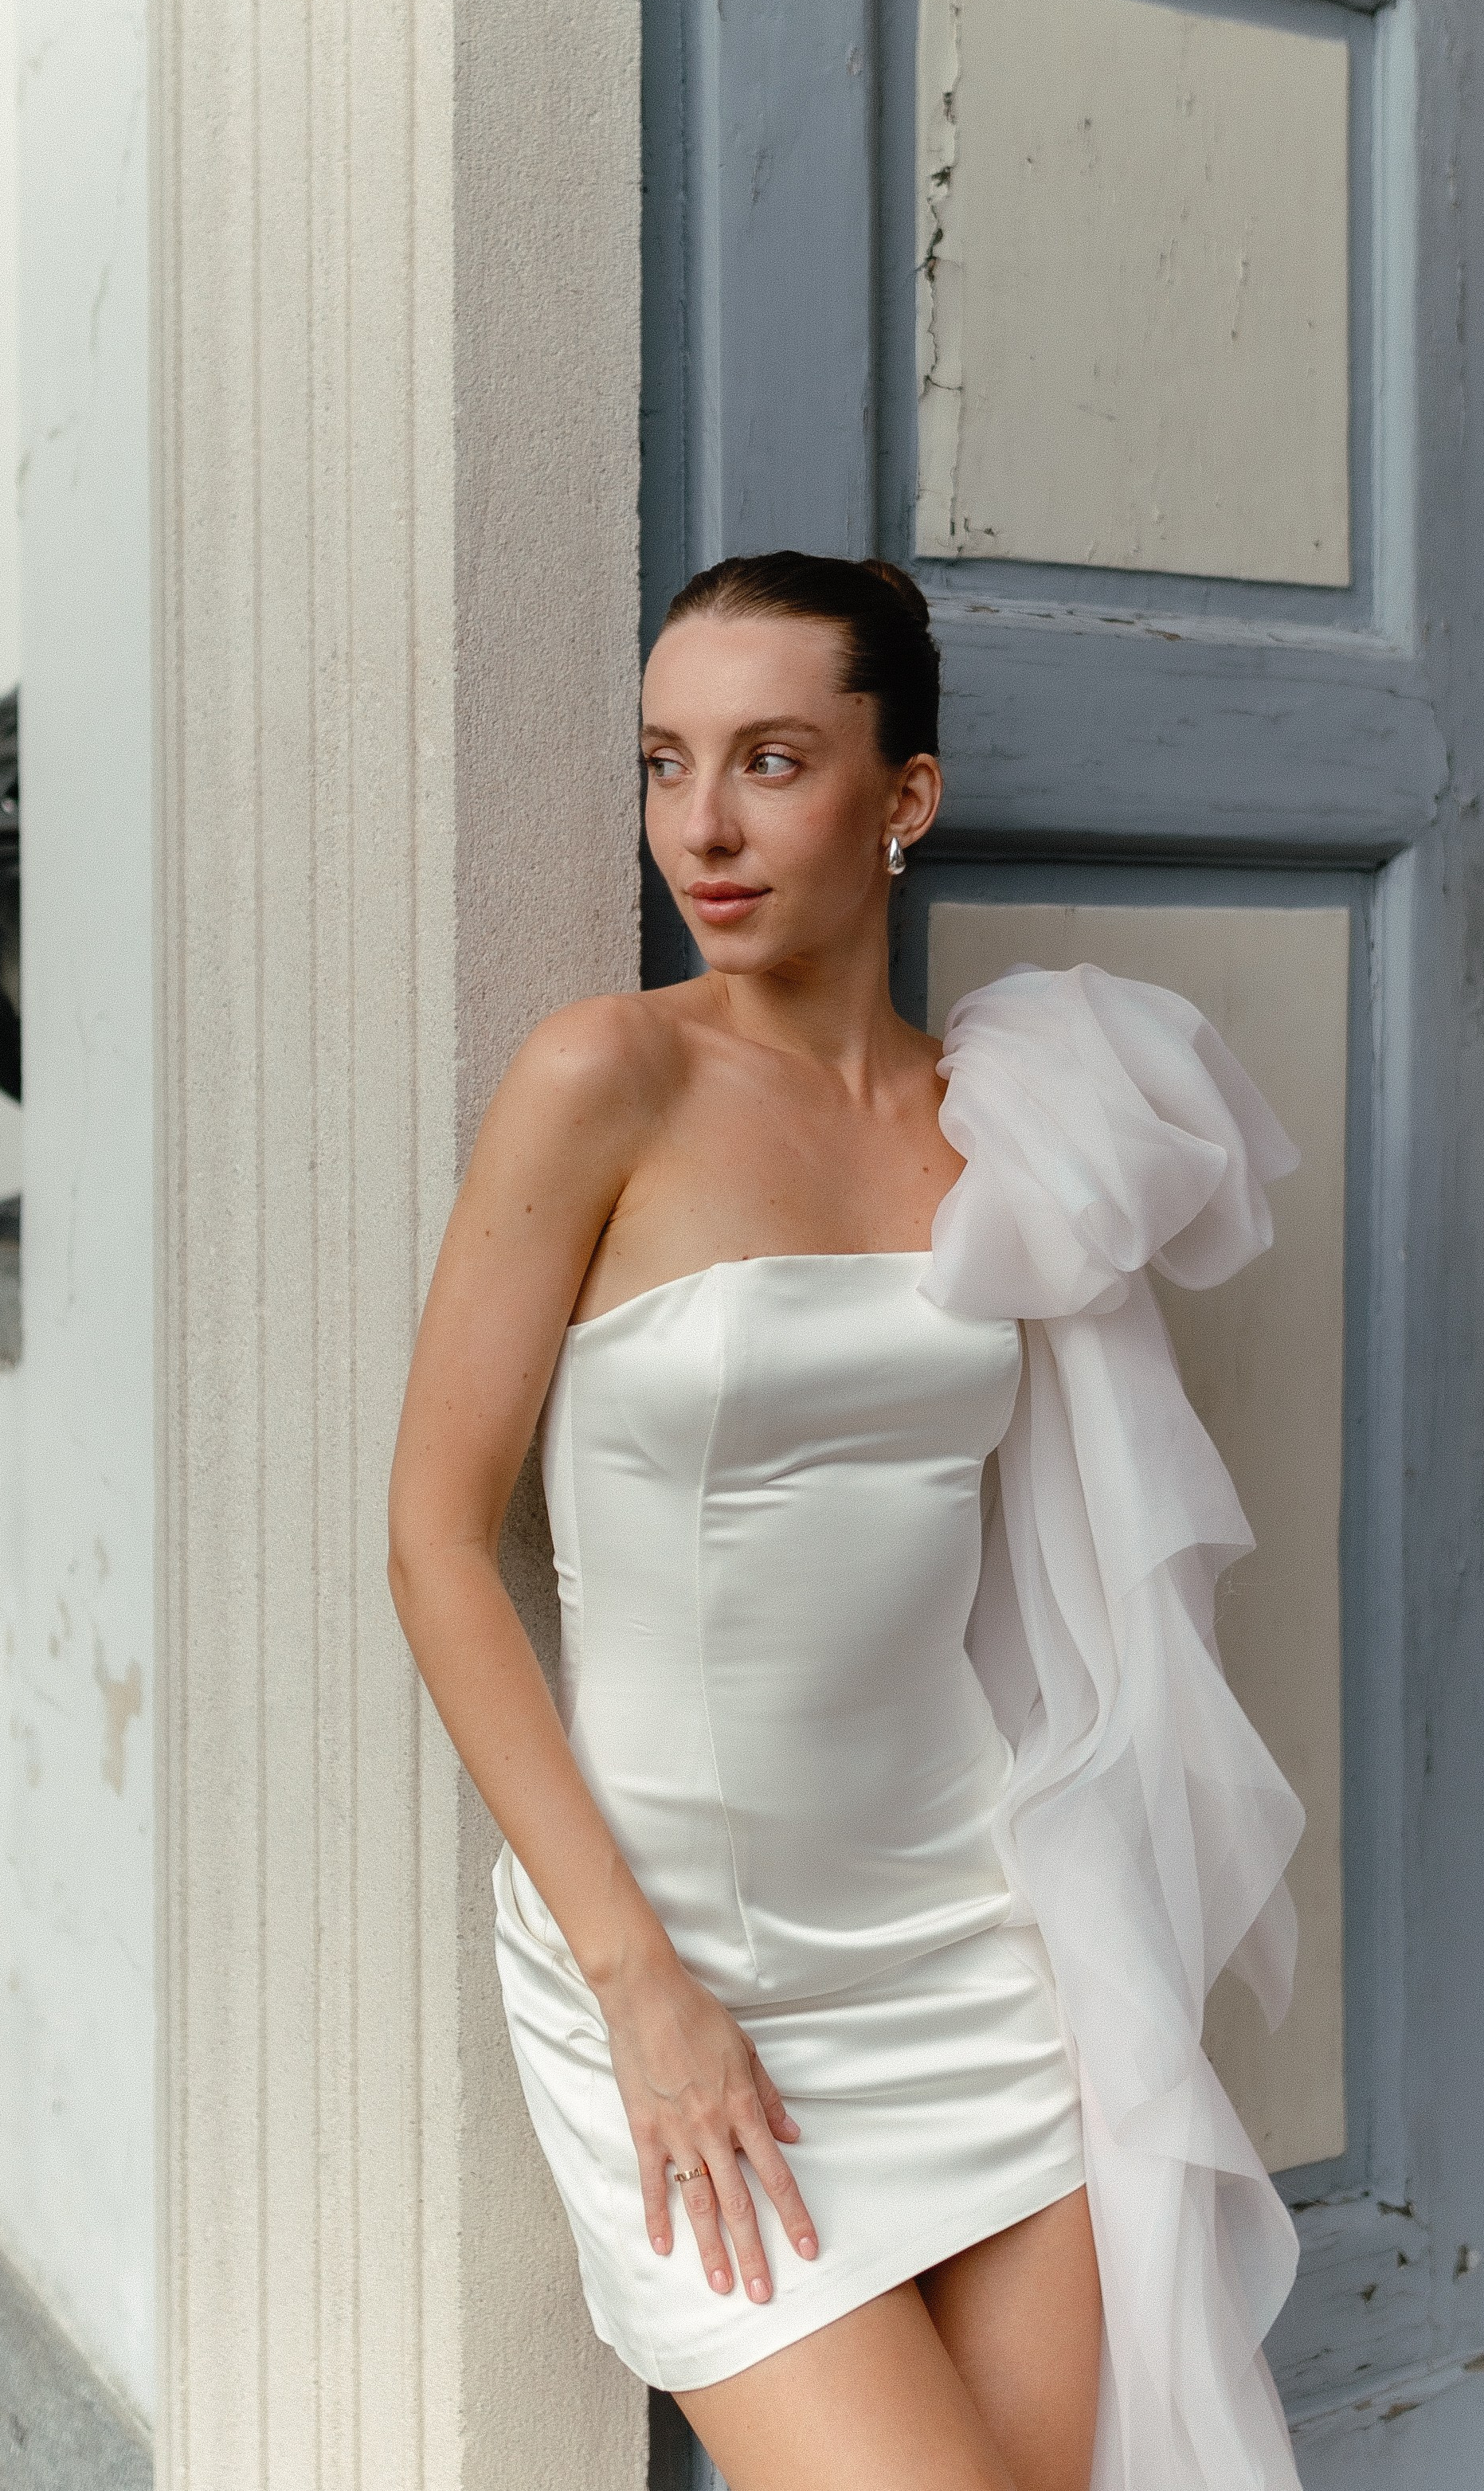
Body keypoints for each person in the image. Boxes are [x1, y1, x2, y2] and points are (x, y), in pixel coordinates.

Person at [388, 553, 1306, 2491]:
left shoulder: (1005, 1118)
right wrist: (642, 1990)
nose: (699, 828)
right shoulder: (601, 1079)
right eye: (664, 763)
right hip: (680, 1970)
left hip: (971, 1955)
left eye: (772, 760)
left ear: (904, 797)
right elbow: (433, 1542)